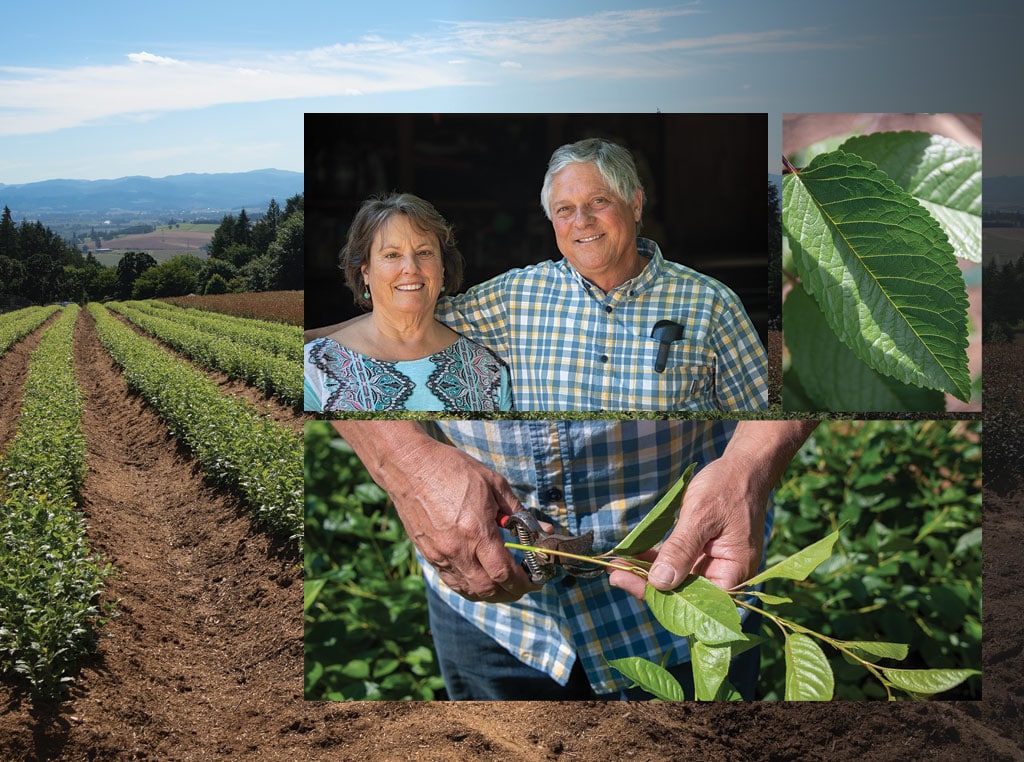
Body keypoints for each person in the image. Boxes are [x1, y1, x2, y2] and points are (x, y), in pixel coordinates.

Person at [332, 419, 817, 700]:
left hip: (690, 596)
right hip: (491, 616)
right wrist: (404, 462)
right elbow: (336, 352)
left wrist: (752, 463)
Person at [431, 137, 769, 411]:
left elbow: (762, 416)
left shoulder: (712, 304)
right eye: (565, 209)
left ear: (635, 204)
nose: (582, 221)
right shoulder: (515, 297)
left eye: (598, 201)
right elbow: (413, 313)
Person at [303, 192, 512, 411]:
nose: (411, 267)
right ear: (365, 272)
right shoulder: (315, 366)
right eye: (392, 255)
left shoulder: (487, 370)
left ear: (442, 268)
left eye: (424, 252)